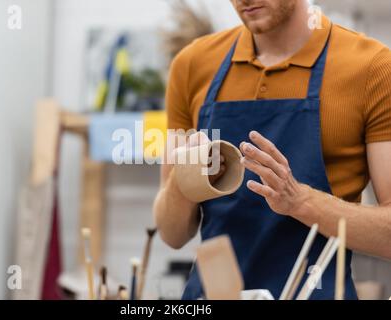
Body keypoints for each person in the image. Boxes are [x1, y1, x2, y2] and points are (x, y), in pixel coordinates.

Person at [153, 0, 391, 300]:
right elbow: (171, 234)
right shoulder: (192, 65)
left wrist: (300, 201)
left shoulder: (373, 69)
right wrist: (184, 177)